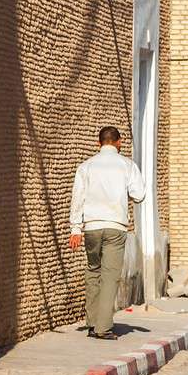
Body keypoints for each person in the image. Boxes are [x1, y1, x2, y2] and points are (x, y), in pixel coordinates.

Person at [69, 126, 147, 340]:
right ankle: (103, 328)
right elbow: (139, 194)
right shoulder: (127, 165)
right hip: (115, 226)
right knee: (110, 277)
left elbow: (78, 197)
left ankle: (93, 322)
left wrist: (75, 228)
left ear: (99, 143)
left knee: (93, 270)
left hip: (91, 227)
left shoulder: (86, 166)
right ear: (119, 142)